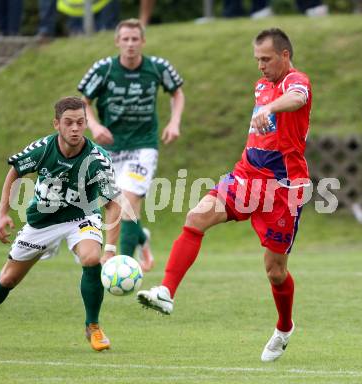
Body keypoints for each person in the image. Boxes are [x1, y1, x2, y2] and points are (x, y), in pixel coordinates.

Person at [137, 28, 312, 363]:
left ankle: (284, 327)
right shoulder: (260, 85)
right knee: (195, 217)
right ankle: (166, 292)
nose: (260, 66)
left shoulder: (295, 80)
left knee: (275, 271)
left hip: (283, 188)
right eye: (257, 59)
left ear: (285, 55)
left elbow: (298, 98)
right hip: (246, 175)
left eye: (266, 59)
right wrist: (265, 112)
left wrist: (272, 108)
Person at [0, 96, 122, 351]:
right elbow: (15, 171)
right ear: (56, 124)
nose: (75, 128)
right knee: (7, 279)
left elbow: (112, 204)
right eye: (68, 123)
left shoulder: (98, 159)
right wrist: (2, 213)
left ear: (86, 123)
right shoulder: (43, 148)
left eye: (80, 122)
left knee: (90, 259)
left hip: (82, 217)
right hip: (42, 222)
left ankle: (93, 326)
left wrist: (109, 251)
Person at [77, 19, 185, 272]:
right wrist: (94, 126)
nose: (130, 44)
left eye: (135, 39)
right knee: (112, 206)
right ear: (117, 42)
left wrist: (174, 122)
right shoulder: (103, 69)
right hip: (111, 148)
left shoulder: (158, 68)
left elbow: (177, 92)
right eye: (125, 39)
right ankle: (140, 238)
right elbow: (84, 101)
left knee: (126, 200)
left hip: (143, 146)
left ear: (143, 41)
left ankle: (118, 262)